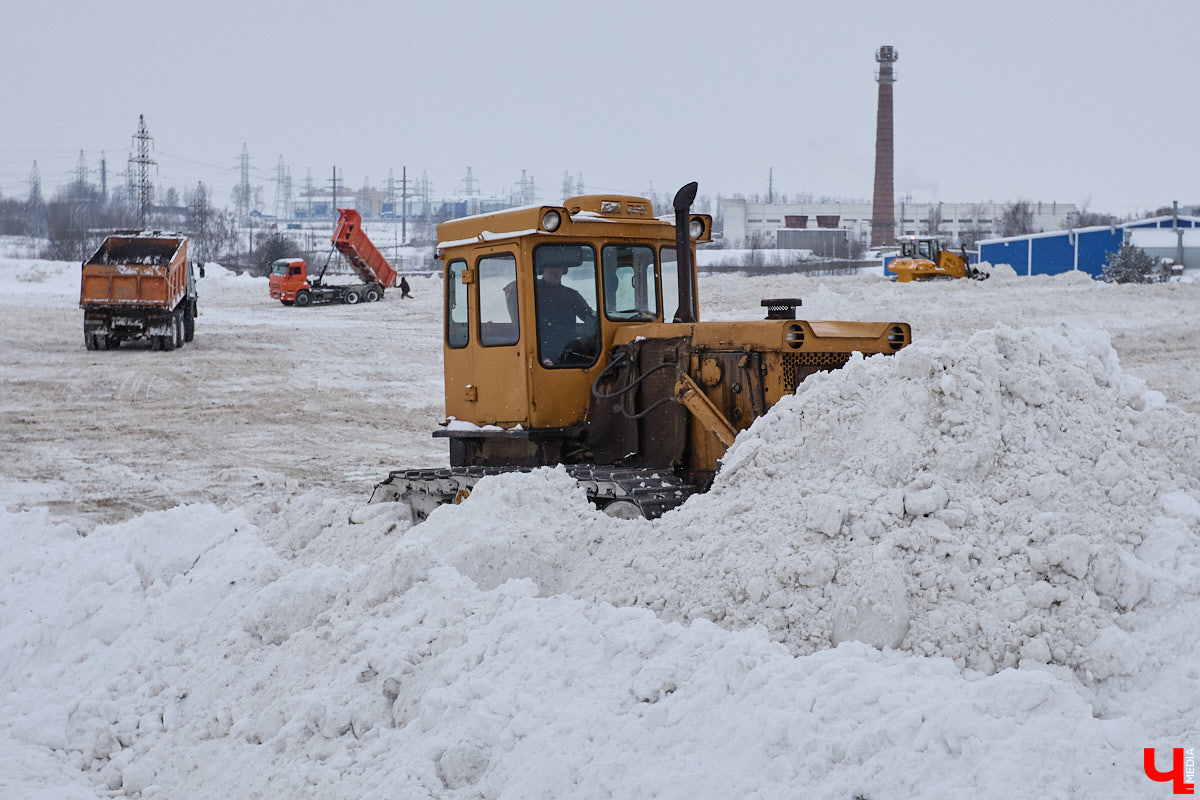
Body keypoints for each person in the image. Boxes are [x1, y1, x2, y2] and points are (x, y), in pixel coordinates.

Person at [535, 264, 596, 367]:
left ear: (564, 270)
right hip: (538, 353)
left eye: (559, 267)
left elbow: (589, 316)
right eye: (551, 266)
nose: (555, 271)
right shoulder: (532, 293)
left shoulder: (572, 295)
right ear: (543, 268)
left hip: (568, 351)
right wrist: (542, 357)